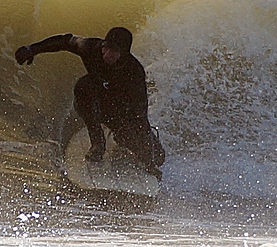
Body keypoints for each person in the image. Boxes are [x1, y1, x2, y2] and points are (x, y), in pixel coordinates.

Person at [15, 27, 165, 179]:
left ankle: (120, 136)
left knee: (158, 157)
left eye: (114, 51)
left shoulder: (134, 72)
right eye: (106, 48)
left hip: (121, 114)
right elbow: (66, 41)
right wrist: (32, 49)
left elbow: (141, 116)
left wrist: (149, 162)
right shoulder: (91, 47)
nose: (107, 54)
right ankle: (97, 143)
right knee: (84, 84)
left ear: (124, 54)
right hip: (96, 104)